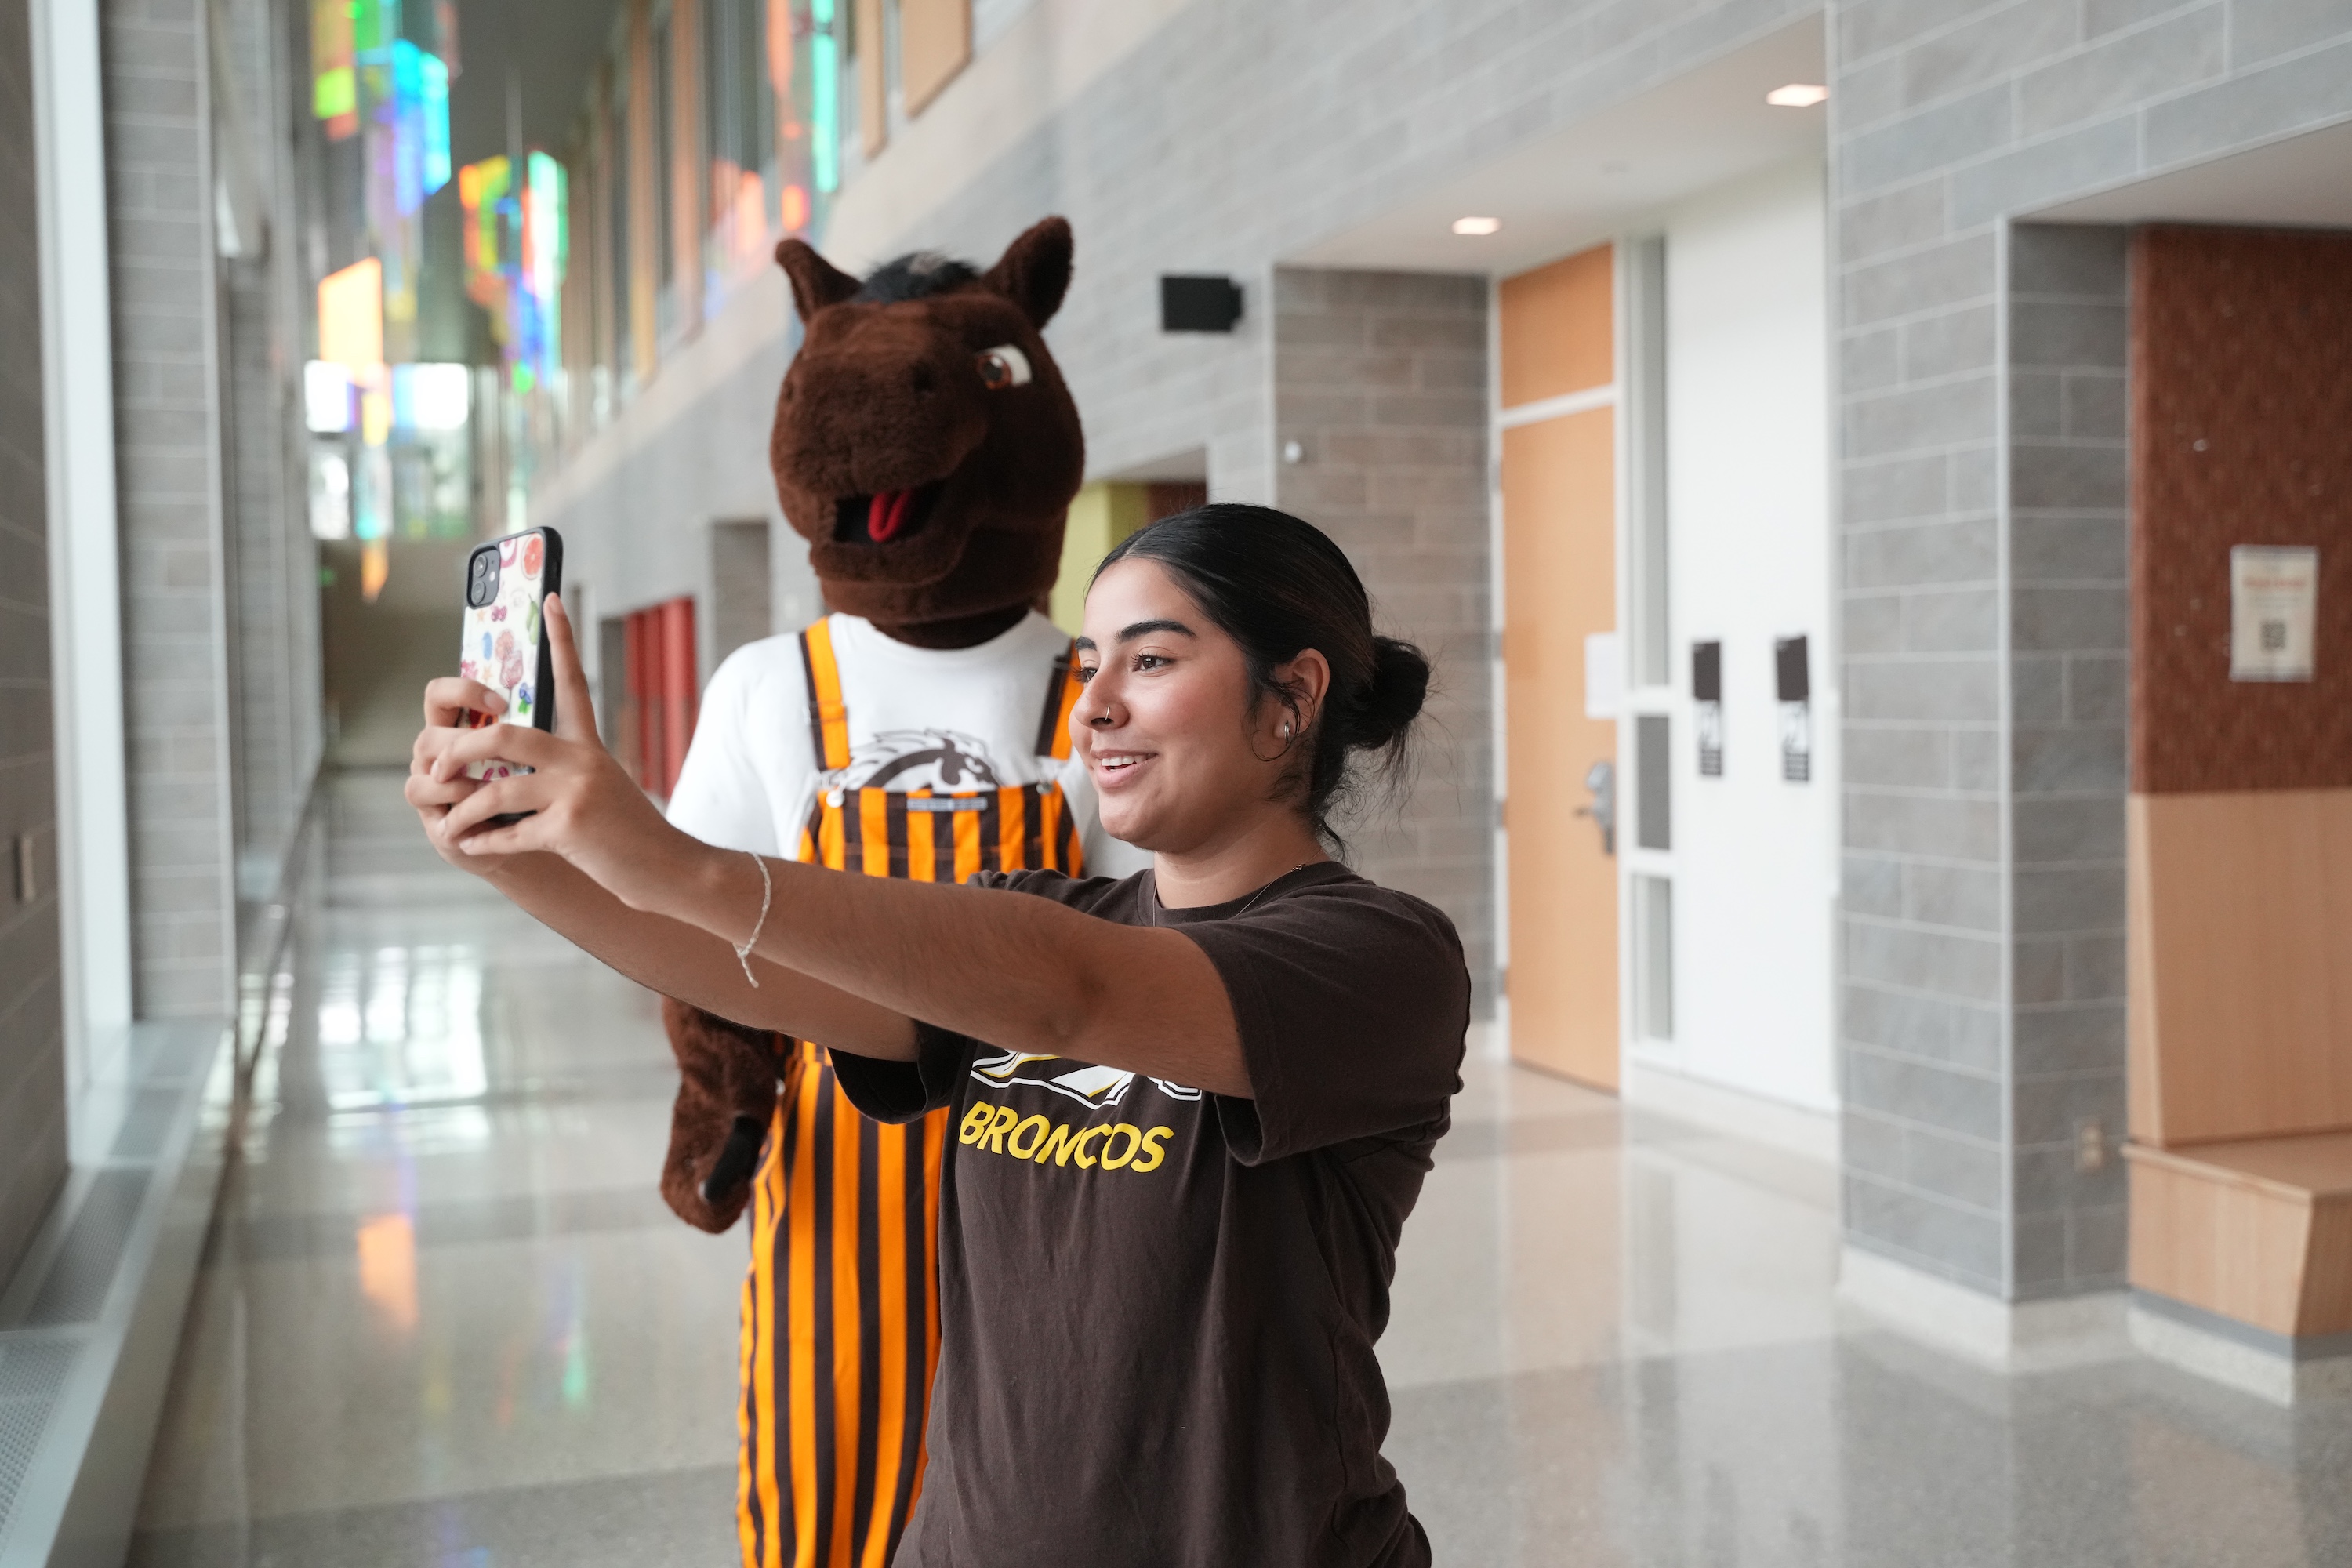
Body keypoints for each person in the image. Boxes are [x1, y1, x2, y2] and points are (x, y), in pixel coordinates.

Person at [405, 504, 1469, 1566]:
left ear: (1292, 697)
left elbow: (1072, 997)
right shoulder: (1043, 911)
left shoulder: (1377, 959)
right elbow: (755, 975)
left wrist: (680, 861)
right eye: (1089, 663)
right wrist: (511, 851)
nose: (1092, 708)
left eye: (1149, 661)